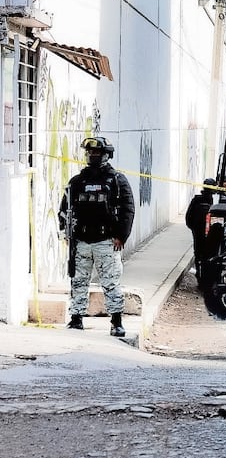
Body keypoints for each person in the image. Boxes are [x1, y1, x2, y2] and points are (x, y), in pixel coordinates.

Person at [59, 136, 135, 337]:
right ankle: (76, 319)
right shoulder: (77, 181)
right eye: (90, 152)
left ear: (106, 155)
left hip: (106, 241)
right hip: (81, 241)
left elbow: (128, 210)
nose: (92, 155)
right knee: (78, 281)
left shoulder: (116, 180)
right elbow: (64, 209)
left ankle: (116, 321)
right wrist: (66, 233)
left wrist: (121, 236)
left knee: (111, 283)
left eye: (97, 152)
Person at [185, 178, 216, 282]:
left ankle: (200, 274)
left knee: (198, 253)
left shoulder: (197, 200)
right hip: (211, 232)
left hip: (198, 232)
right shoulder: (215, 200)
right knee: (210, 253)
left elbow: (188, 217)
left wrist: (194, 229)